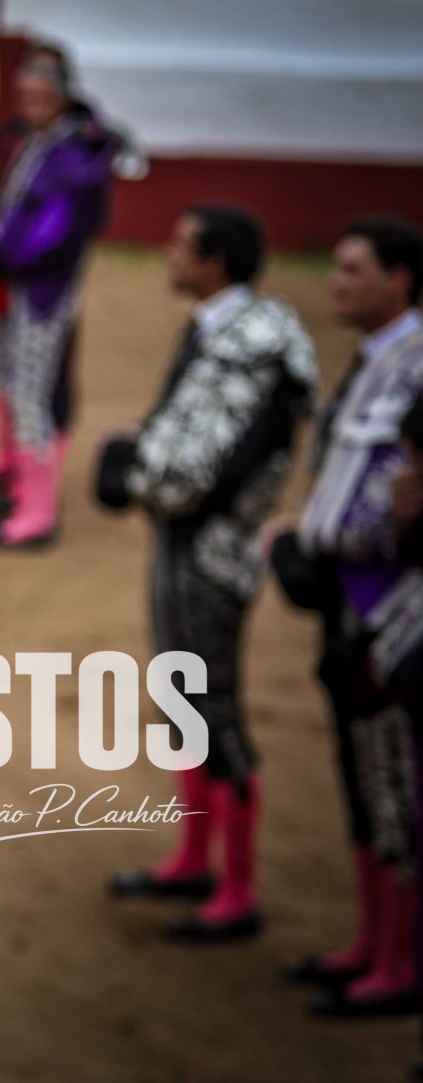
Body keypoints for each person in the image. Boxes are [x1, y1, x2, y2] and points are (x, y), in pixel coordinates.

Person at [98, 206, 317, 943]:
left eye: (181, 244)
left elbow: (213, 467)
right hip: (184, 539)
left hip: (214, 548)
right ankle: (196, 858)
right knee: (184, 700)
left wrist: (138, 473)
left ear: (215, 261)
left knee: (213, 708)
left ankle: (239, 890)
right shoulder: (223, 330)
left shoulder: (254, 344)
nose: (168, 252)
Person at [269, 214, 423, 1018]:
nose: (335, 282)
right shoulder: (374, 360)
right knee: (364, 776)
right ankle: (374, 943)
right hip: (349, 595)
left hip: (394, 603)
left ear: (400, 278)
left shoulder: (416, 364)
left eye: (353, 269)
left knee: (398, 777)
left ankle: (401, 961)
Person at [0, 51, 119, 549]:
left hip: (42, 290)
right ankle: (18, 480)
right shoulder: (45, 140)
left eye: (42, 95)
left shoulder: (75, 152)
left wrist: (2, 252)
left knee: (33, 388)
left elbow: (56, 233)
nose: (31, 103)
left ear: (63, 96)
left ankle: (37, 513)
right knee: (12, 374)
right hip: (22, 284)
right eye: (26, 94)